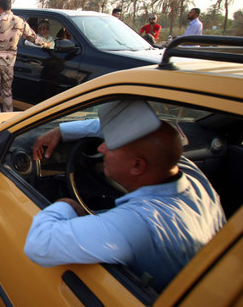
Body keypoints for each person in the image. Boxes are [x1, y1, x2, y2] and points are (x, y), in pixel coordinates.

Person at [25, 99, 225, 292]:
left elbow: (39, 243)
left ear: (137, 165)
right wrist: (63, 130)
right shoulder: (186, 173)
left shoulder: (139, 223)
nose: (101, 147)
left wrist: (67, 205)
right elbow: (126, 132)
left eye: (110, 146)